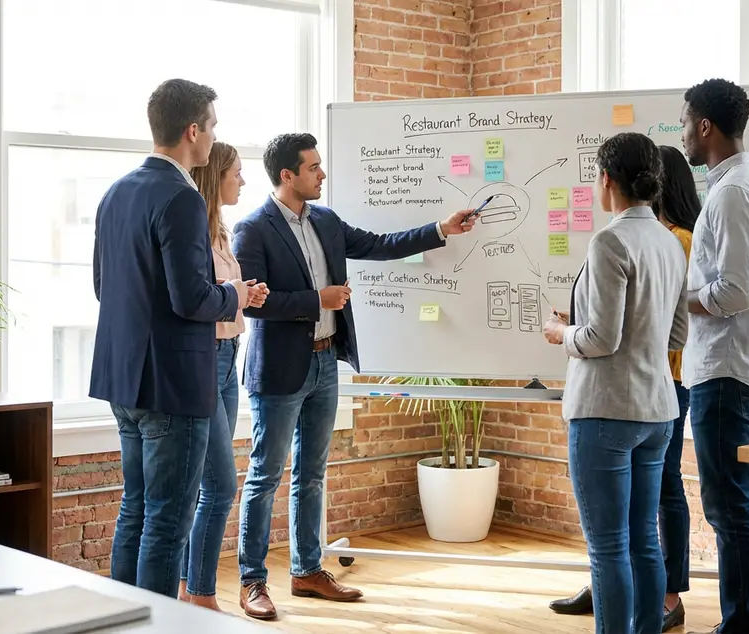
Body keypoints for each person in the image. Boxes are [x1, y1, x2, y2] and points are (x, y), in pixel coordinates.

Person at [231, 132, 476, 620]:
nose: (322, 174)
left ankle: (306, 570)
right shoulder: (252, 229)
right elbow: (254, 304)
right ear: (287, 175)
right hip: (279, 370)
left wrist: (440, 229)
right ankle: (252, 581)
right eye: (313, 167)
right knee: (265, 476)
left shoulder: (325, 220)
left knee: (312, 475)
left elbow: (381, 245)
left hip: (325, 363)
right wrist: (316, 301)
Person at [90, 78, 266, 598]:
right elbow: (192, 299)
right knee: (168, 523)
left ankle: (121, 622)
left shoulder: (115, 192)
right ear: (193, 130)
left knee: (136, 509)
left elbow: (104, 287)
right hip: (172, 385)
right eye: (213, 127)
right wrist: (234, 293)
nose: (214, 138)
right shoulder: (182, 197)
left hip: (123, 380)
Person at [549, 144, 700, 631]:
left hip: (606, 410)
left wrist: (561, 334)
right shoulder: (668, 240)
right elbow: (678, 335)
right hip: (657, 410)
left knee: (608, 547)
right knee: (642, 542)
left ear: (608, 179)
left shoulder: (609, 242)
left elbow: (599, 338)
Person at [680, 78, 749, 633]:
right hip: (741, 368)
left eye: (685, 122)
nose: (682, 134)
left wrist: (680, 298)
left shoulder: (734, 192)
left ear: (706, 126)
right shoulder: (748, 186)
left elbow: (735, 292)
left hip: (728, 370)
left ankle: (744, 625)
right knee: (746, 502)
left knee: (729, 509)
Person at [176, 141, 256, 610]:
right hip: (206, 356)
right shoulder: (195, 234)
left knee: (209, 483)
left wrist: (247, 295)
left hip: (230, 354)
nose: (242, 181)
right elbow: (198, 297)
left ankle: (190, 589)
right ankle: (202, 595)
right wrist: (232, 292)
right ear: (215, 177)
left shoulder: (221, 231)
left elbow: (223, 296)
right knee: (220, 485)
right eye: (236, 174)